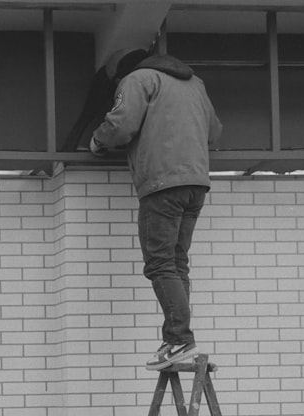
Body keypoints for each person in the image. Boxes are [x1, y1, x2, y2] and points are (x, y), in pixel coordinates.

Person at [90, 48, 223, 371]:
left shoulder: (137, 80)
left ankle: (179, 339)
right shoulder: (195, 85)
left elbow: (121, 125)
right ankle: (178, 339)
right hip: (196, 183)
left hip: (162, 183)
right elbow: (215, 131)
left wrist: (97, 141)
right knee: (177, 263)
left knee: (160, 264)